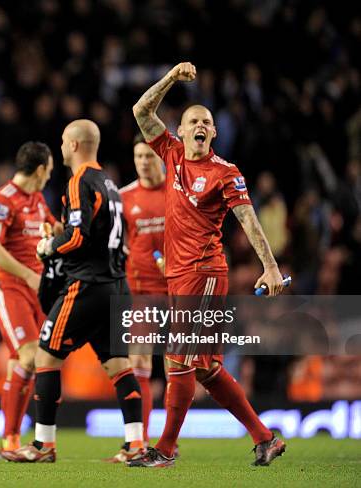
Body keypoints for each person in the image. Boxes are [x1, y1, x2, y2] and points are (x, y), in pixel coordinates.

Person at [128, 62, 286, 468]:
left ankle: (163, 449)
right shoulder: (173, 154)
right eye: (192, 120)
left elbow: (247, 219)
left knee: (179, 358)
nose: (200, 125)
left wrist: (269, 266)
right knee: (205, 368)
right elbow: (141, 112)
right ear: (180, 131)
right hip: (177, 276)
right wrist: (169, 79)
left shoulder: (225, 173)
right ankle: (265, 438)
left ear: (213, 133)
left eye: (207, 122)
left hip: (205, 273)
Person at [6, 119, 144, 463]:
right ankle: (136, 444)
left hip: (87, 285)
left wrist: (49, 245)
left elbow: (78, 236)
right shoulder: (110, 183)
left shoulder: (78, 181)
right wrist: (65, 231)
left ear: (74, 145)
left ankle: (43, 446)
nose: (62, 148)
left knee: (45, 356)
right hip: (116, 285)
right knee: (117, 365)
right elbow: (100, 233)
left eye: (64, 142)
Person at [0, 141, 61, 456]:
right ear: (40, 169)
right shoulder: (3, 200)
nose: (49, 177)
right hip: (9, 287)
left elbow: (54, 229)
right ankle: (21, 439)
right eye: (50, 171)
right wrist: (28, 275)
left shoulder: (38, 200)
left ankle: (10, 441)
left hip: (37, 292)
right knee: (31, 357)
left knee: (23, 363)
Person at [106, 134, 167, 461]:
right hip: (138, 293)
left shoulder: (177, 191)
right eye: (139, 156)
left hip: (175, 292)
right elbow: (117, 243)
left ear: (161, 157)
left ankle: (169, 442)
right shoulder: (125, 196)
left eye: (149, 155)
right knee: (139, 364)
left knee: (179, 369)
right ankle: (139, 441)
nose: (144, 161)